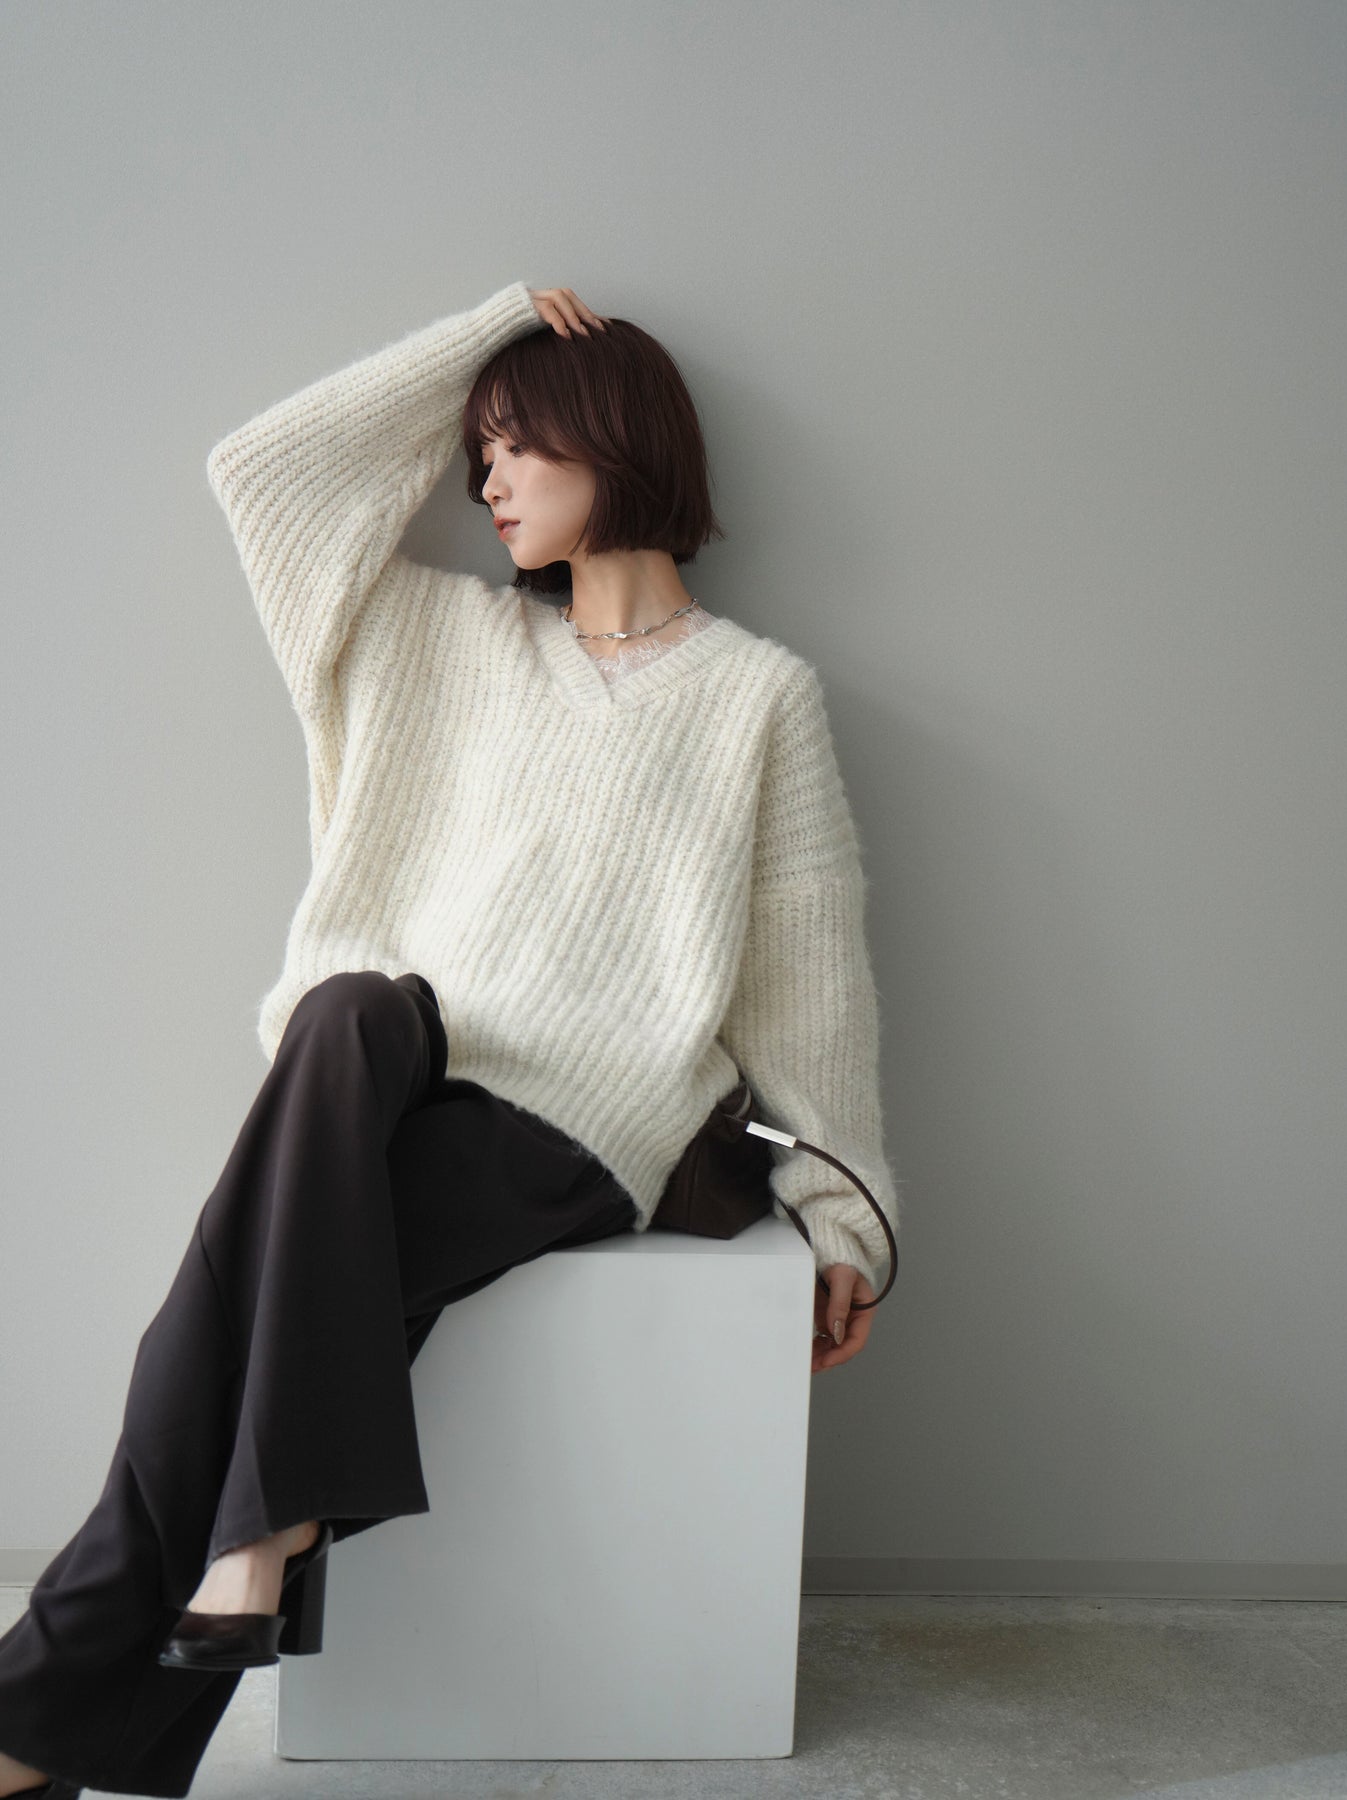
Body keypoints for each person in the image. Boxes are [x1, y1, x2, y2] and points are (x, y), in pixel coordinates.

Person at [0, 283, 900, 1799]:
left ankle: (40, 1718)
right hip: (377, 1072)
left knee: (219, 1314)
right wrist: (483, 331)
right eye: (474, 450)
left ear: (614, 439)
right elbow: (262, 478)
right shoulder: (429, 634)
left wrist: (842, 1211)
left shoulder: (757, 698)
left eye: (515, 445)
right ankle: (264, 1534)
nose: (484, 481)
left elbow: (809, 979)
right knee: (347, 1002)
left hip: (580, 1114)